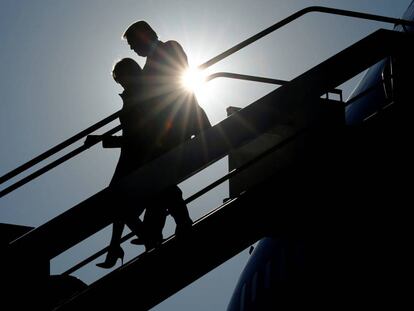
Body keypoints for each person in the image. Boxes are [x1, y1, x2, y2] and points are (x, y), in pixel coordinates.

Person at [122, 21, 211, 248]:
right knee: (158, 179)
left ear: (145, 36)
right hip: (169, 127)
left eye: (133, 43)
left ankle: (168, 225)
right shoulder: (150, 64)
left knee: (159, 177)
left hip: (180, 121)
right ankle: (157, 228)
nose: (132, 48)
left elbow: (175, 84)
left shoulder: (169, 48)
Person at [87, 58, 149, 268]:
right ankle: (115, 246)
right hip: (130, 156)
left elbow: (142, 136)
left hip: (138, 156)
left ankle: (137, 240)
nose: (121, 85)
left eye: (122, 80)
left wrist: (102, 139)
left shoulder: (142, 96)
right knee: (117, 203)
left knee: (119, 205)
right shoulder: (135, 95)